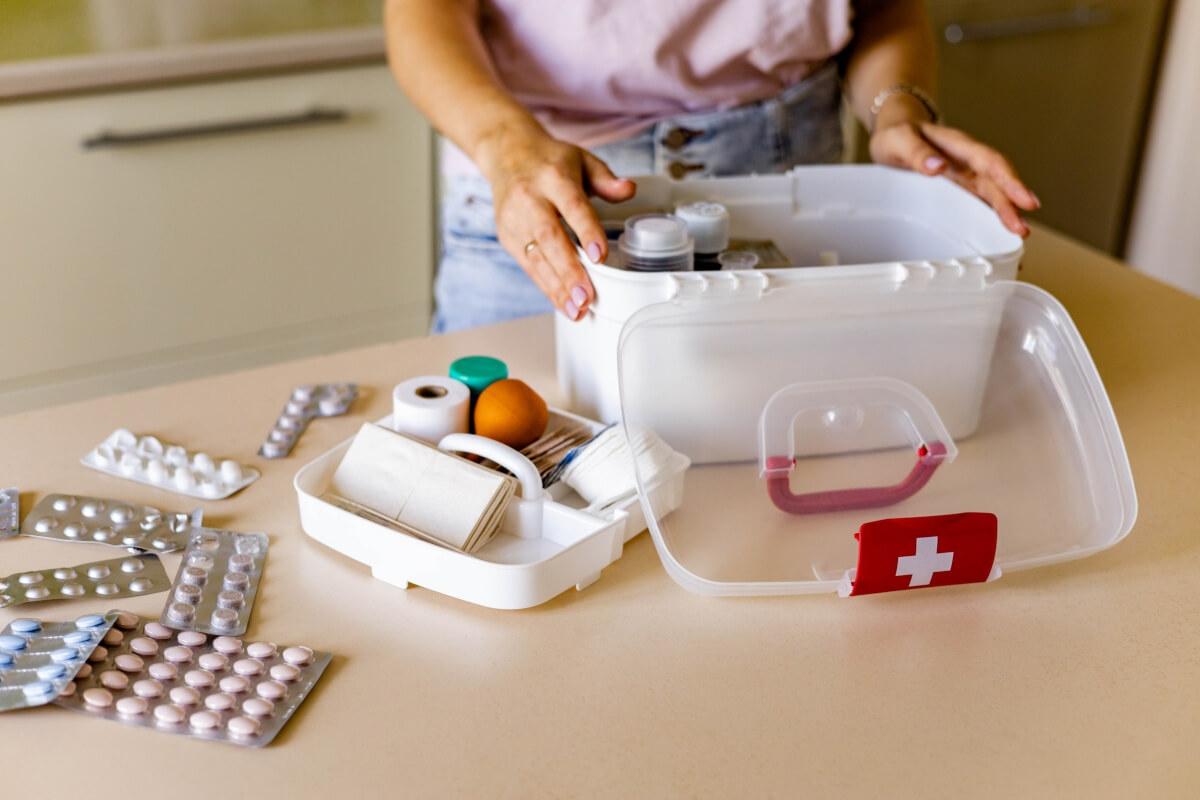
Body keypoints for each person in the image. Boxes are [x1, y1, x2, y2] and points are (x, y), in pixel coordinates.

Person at [384, 0, 1038, 332]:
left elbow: (883, 8)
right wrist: (506, 146)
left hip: (786, 187)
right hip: (544, 194)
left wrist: (898, 111)